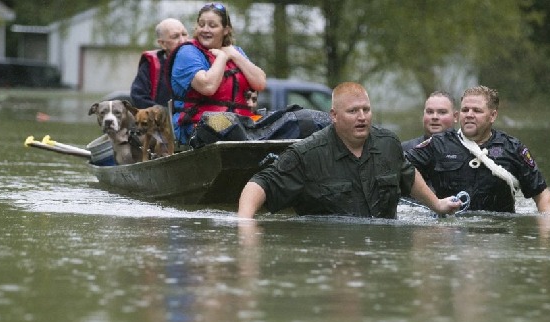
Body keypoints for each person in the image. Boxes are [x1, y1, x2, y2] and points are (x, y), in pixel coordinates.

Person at [237, 82, 462, 219]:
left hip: (382, 250)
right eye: (353, 111)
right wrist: (245, 223)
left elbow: (408, 176)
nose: (362, 117)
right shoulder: (309, 152)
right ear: (333, 116)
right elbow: (261, 182)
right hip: (333, 252)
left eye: (366, 110)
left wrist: (437, 204)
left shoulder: (387, 143)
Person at [406, 85, 550, 213]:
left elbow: (543, 196)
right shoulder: (438, 144)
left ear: (492, 116)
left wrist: (546, 240)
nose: (469, 115)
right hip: (449, 236)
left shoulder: (512, 148)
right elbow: (404, 168)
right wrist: (435, 204)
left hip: (497, 237)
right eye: (465, 110)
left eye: (477, 111)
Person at [168, 2, 266, 145]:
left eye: (212, 26)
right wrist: (221, 57)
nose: (205, 29)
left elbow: (260, 83)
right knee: (230, 127)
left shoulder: (235, 52)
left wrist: (235, 55)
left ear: (225, 30)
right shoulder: (187, 53)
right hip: (199, 125)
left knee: (299, 119)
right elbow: (208, 87)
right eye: (201, 24)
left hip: (240, 122)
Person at [129, 18, 189, 109]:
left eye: (184, 34)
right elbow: (138, 97)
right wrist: (162, 114)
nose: (182, 40)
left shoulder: (199, 59)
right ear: (162, 44)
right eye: (175, 37)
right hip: (162, 119)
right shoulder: (151, 64)